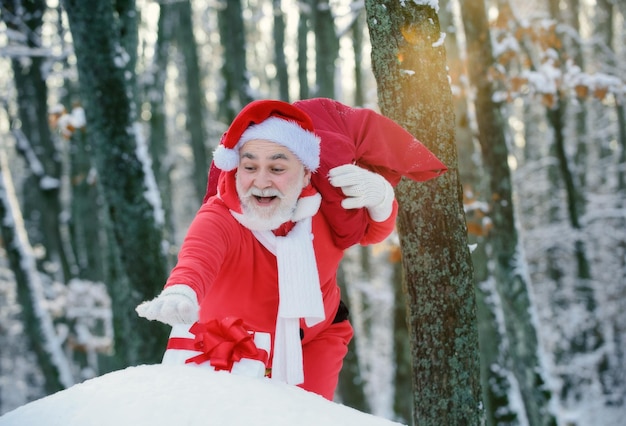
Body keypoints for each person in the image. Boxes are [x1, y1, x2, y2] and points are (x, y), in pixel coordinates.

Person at [136, 98, 446, 400]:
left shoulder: (324, 208)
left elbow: (371, 232)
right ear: (236, 169)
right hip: (233, 345)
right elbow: (198, 255)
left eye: (277, 168)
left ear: (307, 174)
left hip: (317, 338)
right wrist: (182, 291)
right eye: (250, 166)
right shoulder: (221, 215)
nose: (261, 181)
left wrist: (381, 199)